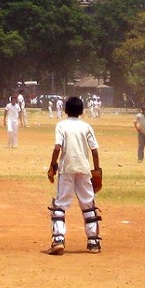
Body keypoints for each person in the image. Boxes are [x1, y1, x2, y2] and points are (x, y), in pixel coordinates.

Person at [47, 96, 102, 255]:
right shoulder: (86, 126)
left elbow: (58, 147)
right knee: (88, 203)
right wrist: (97, 169)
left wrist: (52, 165)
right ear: (81, 111)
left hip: (67, 168)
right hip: (84, 168)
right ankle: (93, 242)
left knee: (61, 204)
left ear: (65, 110)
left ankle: (58, 239)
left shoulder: (61, 125)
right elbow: (94, 150)